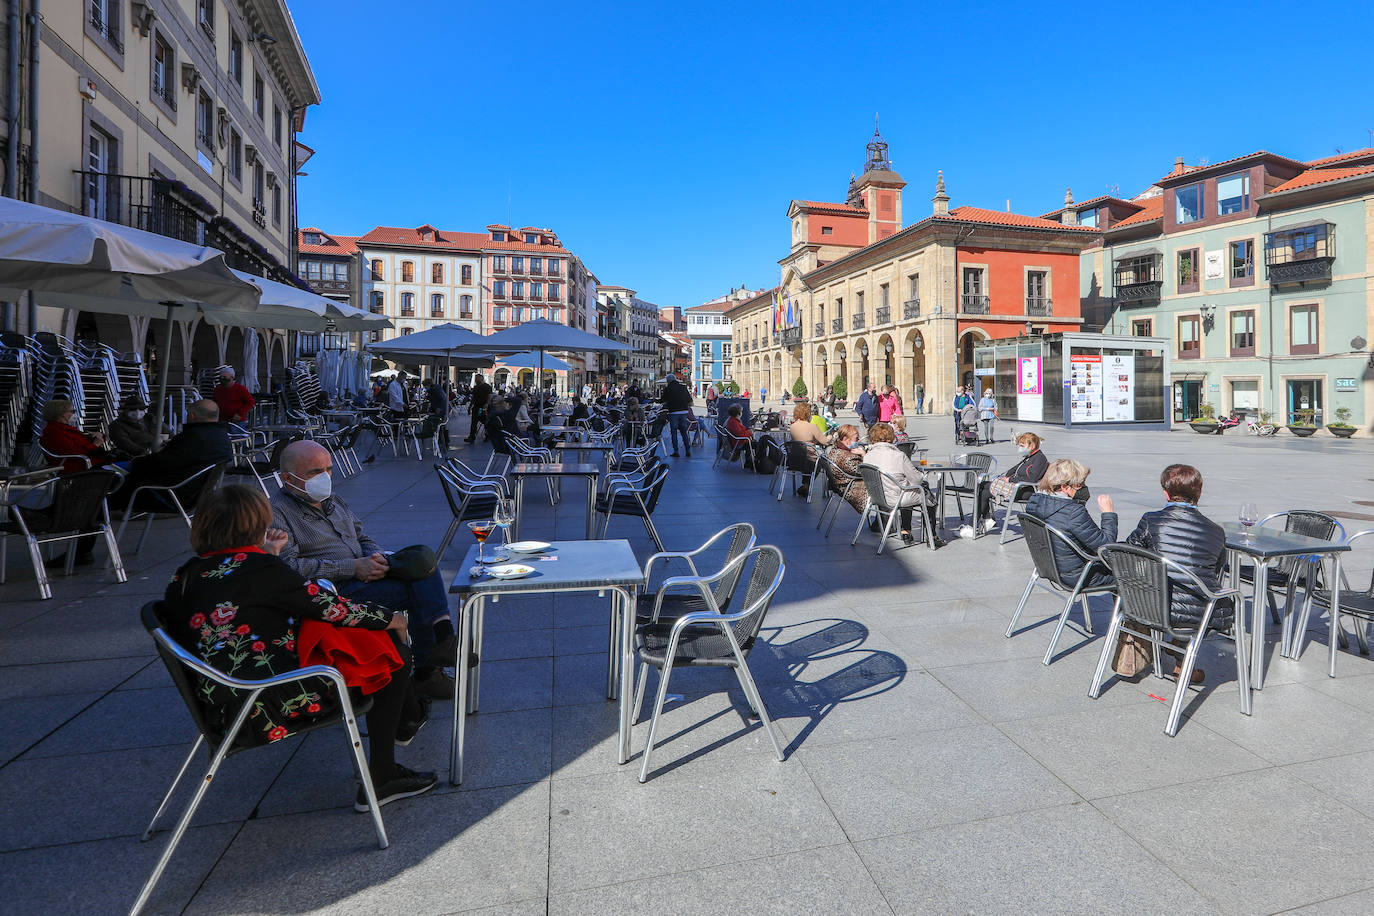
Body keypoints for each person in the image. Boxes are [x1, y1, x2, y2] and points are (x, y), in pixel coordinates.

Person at [166, 485, 436, 810]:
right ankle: (384, 772)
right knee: (390, 653)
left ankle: (409, 718)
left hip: (219, 702)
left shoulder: (186, 574)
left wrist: (268, 556)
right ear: (257, 525)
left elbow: (253, 597)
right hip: (266, 705)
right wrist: (391, 619)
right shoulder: (260, 570)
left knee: (370, 646)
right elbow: (330, 606)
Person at [270, 441, 460, 701]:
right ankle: (434, 658)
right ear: (287, 478)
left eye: (328, 469)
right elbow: (290, 569)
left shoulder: (332, 499)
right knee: (420, 582)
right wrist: (353, 568)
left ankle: (435, 655)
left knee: (421, 563)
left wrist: (376, 558)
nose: (325, 478)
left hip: (366, 574)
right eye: (315, 472)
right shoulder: (276, 513)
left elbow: (361, 536)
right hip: (334, 594)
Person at [1124, 464, 1229, 684]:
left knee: (1170, 587)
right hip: (1196, 614)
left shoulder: (1151, 520)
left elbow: (1127, 554)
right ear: (1199, 493)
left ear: (1166, 493)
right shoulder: (1216, 532)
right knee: (1201, 593)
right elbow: (1216, 572)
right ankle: (1183, 663)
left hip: (1148, 608)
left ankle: (1179, 655)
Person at [110, 399, 233, 511]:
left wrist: (137, 463)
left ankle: (99, 522)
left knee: (107, 488)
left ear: (192, 415)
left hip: (170, 495)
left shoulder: (193, 437)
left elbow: (161, 463)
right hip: (193, 495)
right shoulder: (222, 437)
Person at [1025, 458, 1116, 586]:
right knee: (1130, 575)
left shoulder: (1035, 503)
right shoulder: (1072, 512)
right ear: (1064, 487)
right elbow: (1106, 546)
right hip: (1078, 574)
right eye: (1080, 485)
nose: (1084, 488)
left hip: (1050, 569)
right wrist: (1108, 514)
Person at [861, 422, 940, 546]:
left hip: (878, 498)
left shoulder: (867, 456)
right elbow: (917, 480)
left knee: (906, 487)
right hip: (898, 498)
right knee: (924, 492)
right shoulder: (898, 455)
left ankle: (906, 531)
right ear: (891, 437)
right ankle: (932, 537)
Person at [978, 431, 1048, 528]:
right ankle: (984, 520)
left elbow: (1032, 479)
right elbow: (1013, 470)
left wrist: (1010, 479)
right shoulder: (1029, 457)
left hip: (1027, 490)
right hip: (1018, 487)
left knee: (984, 489)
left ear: (1032, 445)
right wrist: (1006, 477)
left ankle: (980, 522)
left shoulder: (1039, 458)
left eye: (1022, 446)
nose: (1020, 449)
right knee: (983, 487)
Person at [40, 399, 114, 473]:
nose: (74, 414)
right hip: (80, 466)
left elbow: (80, 444)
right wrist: (95, 444)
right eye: (72, 412)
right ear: (60, 414)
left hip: (86, 462)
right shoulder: (54, 432)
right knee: (121, 467)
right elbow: (75, 452)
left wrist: (96, 437)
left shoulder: (63, 428)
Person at [826, 424, 869, 518]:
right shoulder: (848, 457)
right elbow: (866, 472)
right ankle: (882, 524)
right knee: (881, 486)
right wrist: (864, 455)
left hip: (838, 484)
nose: (858, 441)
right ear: (846, 439)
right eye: (856, 439)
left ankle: (880, 523)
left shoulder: (834, 450)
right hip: (851, 487)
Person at [661, 376, 694, 458]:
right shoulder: (683, 387)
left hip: (673, 412)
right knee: (684, 431)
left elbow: (663, 400)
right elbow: (689, 399)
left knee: (674, 432)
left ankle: (676, 451)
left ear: (668, 381)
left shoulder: (668, 388)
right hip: (684, 411)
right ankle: (688, 450)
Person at [465, 374, 492, 443]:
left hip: (483, 408)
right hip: (476, 407)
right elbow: (473, 398)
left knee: (485, 421)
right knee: (474, 422)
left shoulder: (487, 387)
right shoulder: (476, 387)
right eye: (475, 379)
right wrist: (470, 406)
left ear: (482, 379)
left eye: (477, 379)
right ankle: (472, 437)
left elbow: (489, 396)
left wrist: (486, 404)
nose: (476, 380)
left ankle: (488, 435)